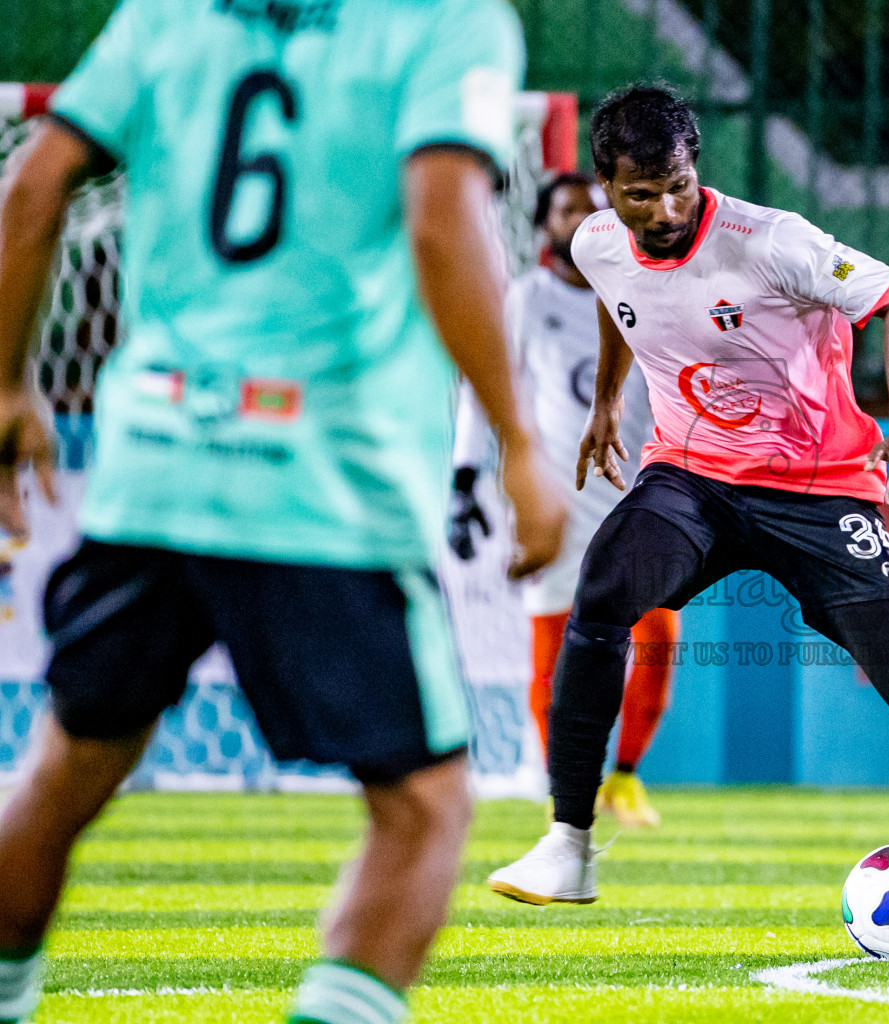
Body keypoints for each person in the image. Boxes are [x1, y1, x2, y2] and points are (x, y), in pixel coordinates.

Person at [0, 1, 567, 1021]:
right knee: (424, 809)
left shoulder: (167, 14)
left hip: (152, 472)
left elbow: (34, 181)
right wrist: (518, 442)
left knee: (64, 767)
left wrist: (3, 387)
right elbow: (443, 217)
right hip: (323, 480)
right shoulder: (446, 21)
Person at [488, 84, 889, 954]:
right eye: (639, 193)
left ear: (695, 167)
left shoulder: (772, 242)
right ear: (604, 188)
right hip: (692, 479)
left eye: (677, 184)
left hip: (820, 491)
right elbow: (619, 296)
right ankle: (570, 844)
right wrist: (605, 406)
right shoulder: (595, 242)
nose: (663, 208)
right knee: (600, 597)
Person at [453, 172, 676, 829]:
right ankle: (563, 792)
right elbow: (480, 391)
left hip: (638, 494)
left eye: (595, 209)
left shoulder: (645, 293)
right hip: (557, 497)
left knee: (659, 637)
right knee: (555, 648)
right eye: (568, 210)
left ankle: (627, 776)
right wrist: (466, 479)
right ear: (544, 225)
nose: (583, 219)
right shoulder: (527, 299)